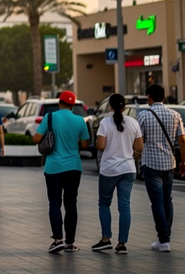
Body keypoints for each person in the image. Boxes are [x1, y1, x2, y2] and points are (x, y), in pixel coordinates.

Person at [33, 90, 89, 254]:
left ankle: (58, 240)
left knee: (54, 203)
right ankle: (70, 243)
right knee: (71, 204)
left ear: (60, 102)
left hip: (53, 167)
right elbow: (85, 145)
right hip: (74, 167)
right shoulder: (80, 120)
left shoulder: (50, 117)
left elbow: (36, 139)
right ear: (72, 105)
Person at [138, 83, 185, 253]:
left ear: (149, 97)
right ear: (164, 97)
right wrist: (183, 161)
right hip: (169, 163)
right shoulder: (175, 115)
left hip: (151, 164)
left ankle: (163, 239)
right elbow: (182, 140)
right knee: (167, 200)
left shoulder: (143, 115)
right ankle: (165, 237)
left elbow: (139, 141)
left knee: (157, 202)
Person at [93, 93, 143, 254]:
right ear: (124, 106)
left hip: (109, 169)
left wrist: (98, 142)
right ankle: (122, 244)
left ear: (110, 106)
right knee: (124, 206)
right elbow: (139, 147)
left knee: (104, 203)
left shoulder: (105, 122)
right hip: (128, 169)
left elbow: (101, 146)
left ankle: (106, 239)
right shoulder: (133, 123)